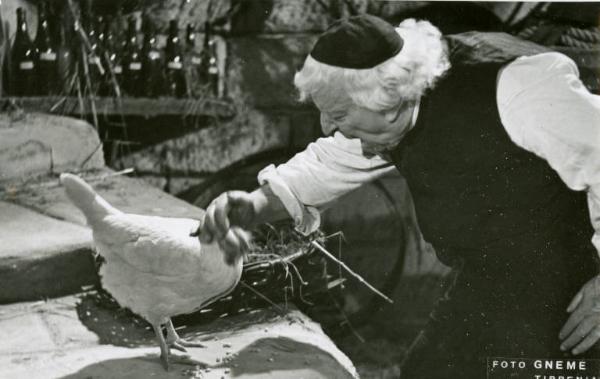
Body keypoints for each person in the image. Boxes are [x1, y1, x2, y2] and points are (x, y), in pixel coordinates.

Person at [194, 14, 600, 378]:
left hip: (576, 293)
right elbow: (331, 160)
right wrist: (254, 205)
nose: (327, 126)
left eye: (338, 116)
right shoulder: (388, 100)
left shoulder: (516, 86)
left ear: (389, 105)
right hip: (488, 280)